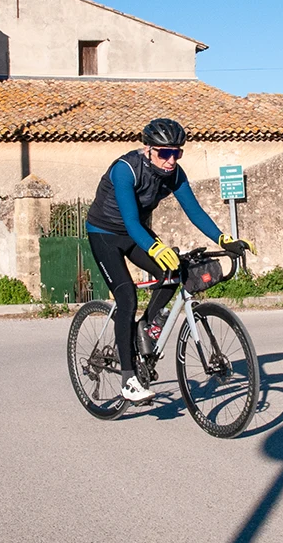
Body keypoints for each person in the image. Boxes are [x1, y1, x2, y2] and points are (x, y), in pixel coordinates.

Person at [85, 118, 254, 403]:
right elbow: (129, 219)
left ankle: (147, 325)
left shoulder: (174, 174)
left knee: (174, 272)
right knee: (126, 298)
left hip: (136, 232)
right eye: (164, 153)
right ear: (148, 149)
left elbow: (194, 211)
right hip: (105, 233)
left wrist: (223, 238)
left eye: (177, 153)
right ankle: (128, 380)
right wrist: (154, 247)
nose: (171, 159)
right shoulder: (125, 170)